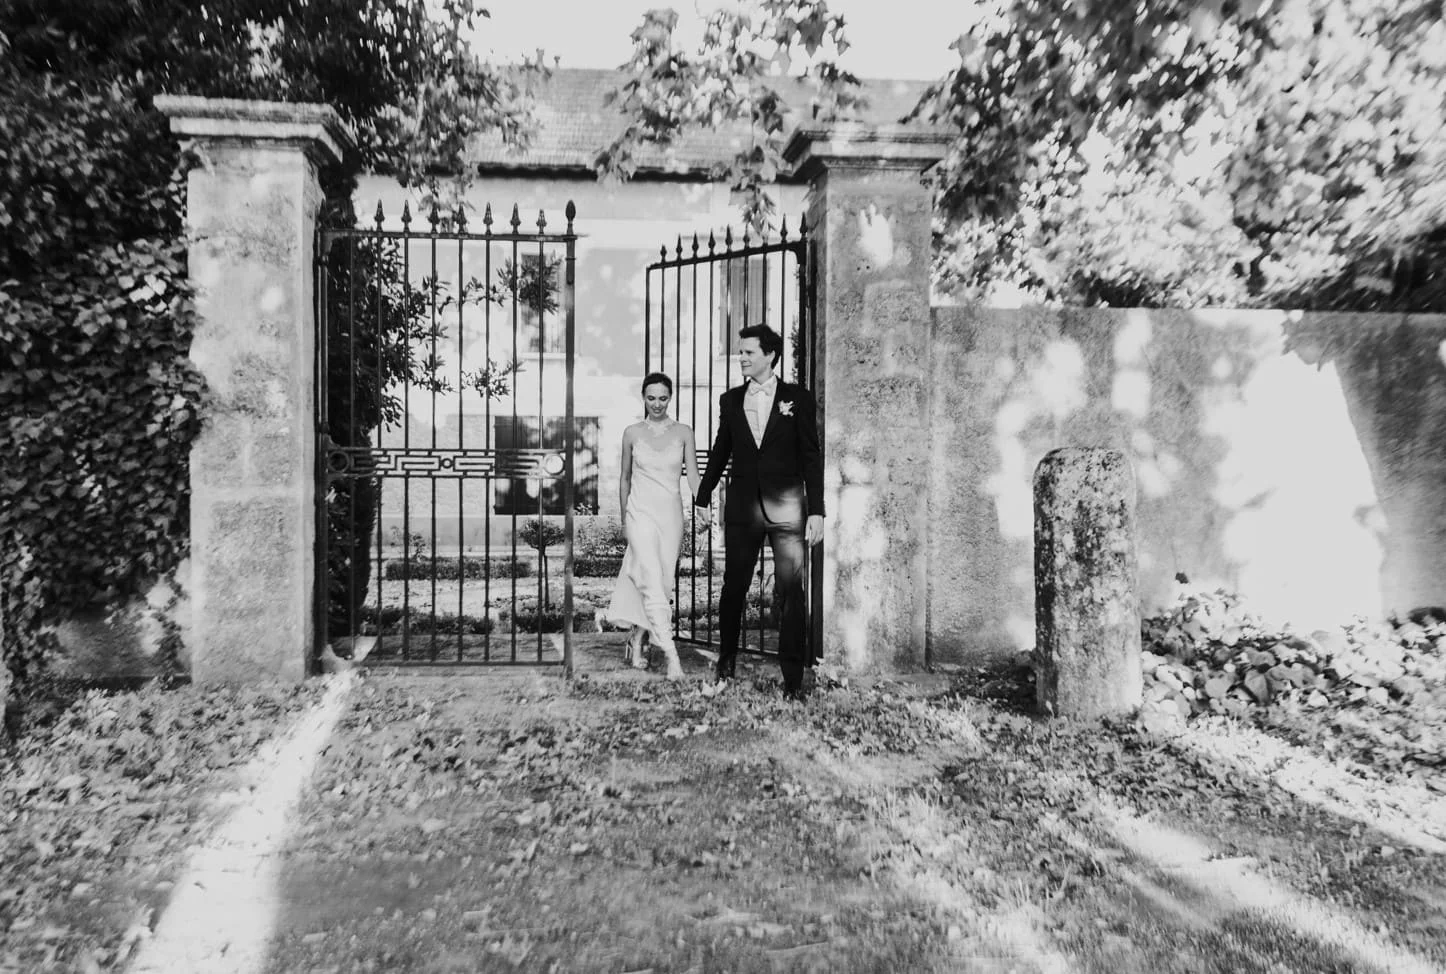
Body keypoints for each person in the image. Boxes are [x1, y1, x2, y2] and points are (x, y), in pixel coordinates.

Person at [694, 324, 823, 700]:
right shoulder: (730, 400)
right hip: (743, 509)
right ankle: (726, 661)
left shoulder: (797, 398)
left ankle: (793, 680)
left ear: (770, 355)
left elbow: (811, 458)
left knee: (791, 592)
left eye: (749, 352)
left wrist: (817, 511)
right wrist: (703, 496)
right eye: (741, 352)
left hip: (787, 510)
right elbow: (720, 451)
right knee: (733, 588)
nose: (742, 357)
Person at [606, 372, 700, 681]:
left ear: (670, 398)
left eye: (662, 398)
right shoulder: (632, 432)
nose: (657, 404)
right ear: (643, 398)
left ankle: (638, 639)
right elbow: (624, 478)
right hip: (639, 513)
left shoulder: (684, 432)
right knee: (647, 574)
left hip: (670, 515)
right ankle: (671, 654)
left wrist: (703, 503)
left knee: (660, 581)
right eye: (651, 398)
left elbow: (693, 477)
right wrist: (624, 519)